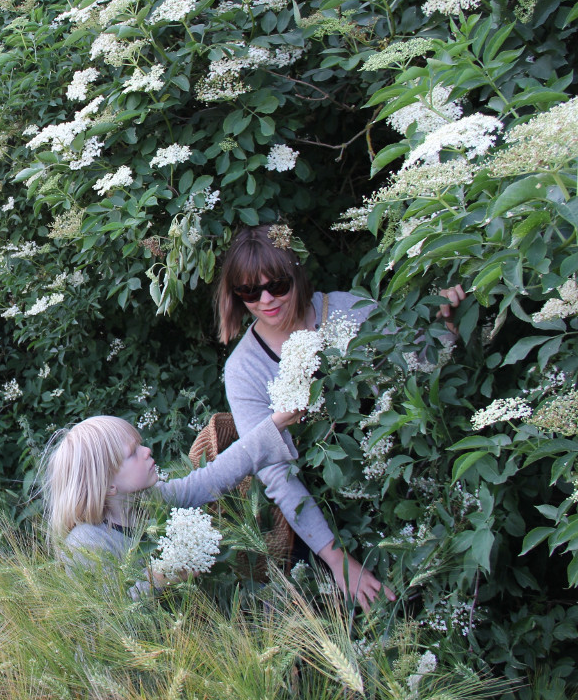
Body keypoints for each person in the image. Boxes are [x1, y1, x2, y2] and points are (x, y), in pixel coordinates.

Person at [214, 224, 465, 610]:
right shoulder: (244, 369)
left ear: (295, 273)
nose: (265, 300)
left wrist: (448, 323)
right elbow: (277, 473)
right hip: (331, 516)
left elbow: (423, 368)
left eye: (277, 285)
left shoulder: (346, 308)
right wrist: (337, 560)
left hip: (413, 476)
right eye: (249, 291)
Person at [43, 409, 302, 597]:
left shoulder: (152, 500)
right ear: (107, 485)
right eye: (132, 453)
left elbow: (213, 477)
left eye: (140, 445)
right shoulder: (85, 543)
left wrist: (273, 425)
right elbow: (108, 622)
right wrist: (158, 579)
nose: (146, 452)